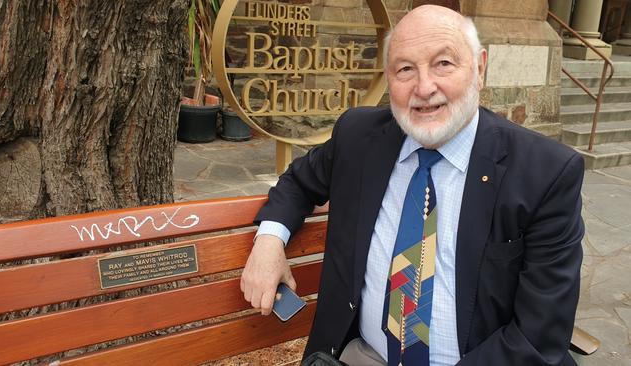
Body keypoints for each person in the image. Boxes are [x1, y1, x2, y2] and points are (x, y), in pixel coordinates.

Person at [241, 5, 584, 366]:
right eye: (405, 69)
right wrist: (268, 242)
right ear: (389, 78)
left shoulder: (545, 173)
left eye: (444, 64)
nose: (423, 87)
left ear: (480, 68)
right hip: (366, 356)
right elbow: (298, 182)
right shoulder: (360, 138)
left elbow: (537, 335)